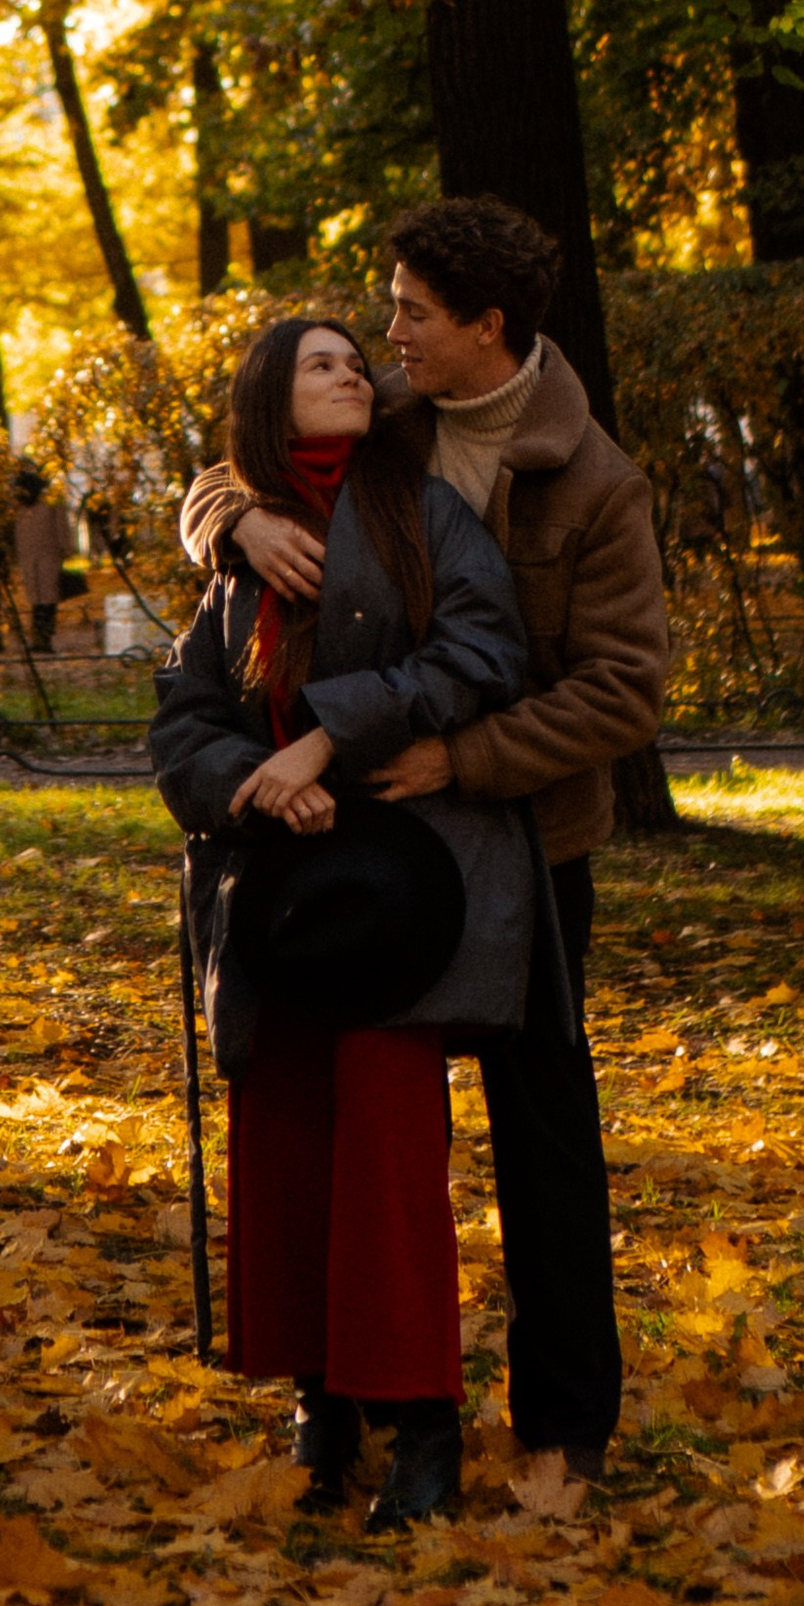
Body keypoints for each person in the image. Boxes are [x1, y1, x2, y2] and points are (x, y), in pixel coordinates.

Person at [181, 195, 668, 1487]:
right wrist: (235, 522)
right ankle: (348, 1395)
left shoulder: (591, 477)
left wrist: (463, 755)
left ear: (486, 329)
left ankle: (565, 1432)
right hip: (358, 846)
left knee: (544, 1132)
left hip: (520, 828)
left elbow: (623, 692)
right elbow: (241, 461)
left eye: (410, 314)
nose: (387, 334)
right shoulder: (387, 414)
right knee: (351, 1115)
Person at [152, 313, 550, 1528]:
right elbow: (180, 722)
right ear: (273, 399)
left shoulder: (422, 515)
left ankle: (421, 1419)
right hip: (277, 900)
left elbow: (487, 650)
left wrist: (331, 733)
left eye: (353, 362)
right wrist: (251, 780)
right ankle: (322, 1407)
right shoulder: (239, 550)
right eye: (320, 364)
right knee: (285, 1158)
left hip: (399, 897)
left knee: (384, 1160)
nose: (351, 376)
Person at [11, 461, 77, 651]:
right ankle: (45, 638)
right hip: (50, 553)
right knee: (49, 597)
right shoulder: (52, 500)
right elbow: (61, 527)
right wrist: (68, 549)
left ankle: (36, 639)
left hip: (27, 555)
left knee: (35, 598)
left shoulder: (19, 504)